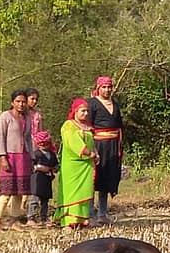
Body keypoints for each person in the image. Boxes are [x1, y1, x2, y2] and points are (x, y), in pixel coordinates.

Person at [0, 89, 33, 232]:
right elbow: (0, 137)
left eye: (23, 102)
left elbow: (28, 139)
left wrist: (31, 157)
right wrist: (2, 157)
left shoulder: (27, 118)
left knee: (19, 192)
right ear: (12, 102)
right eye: (18, 101)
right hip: (9, 157)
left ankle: (14, 221)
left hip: (23, 157)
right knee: (6, 191)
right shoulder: (5, 117)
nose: (21, 104)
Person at [53, 98, 97, 230]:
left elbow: (92, 142)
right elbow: (72, 142)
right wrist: (88, 152)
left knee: (84, 191)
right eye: (82, 111)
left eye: (87, 111)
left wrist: (95, 153)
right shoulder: (69, 125)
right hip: (73, 165)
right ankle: (68, 221)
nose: (86, 113)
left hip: (86, 166)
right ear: (75, 111)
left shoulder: (88, 127)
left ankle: (82, 220)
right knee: (72, 192)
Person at [87, 75, 124, 225]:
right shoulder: (92, 104)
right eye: (104, 87)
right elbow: (87, 127)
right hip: (98, 145)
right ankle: (90, 214)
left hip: (113, 146)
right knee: (93, 179)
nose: (107, 90)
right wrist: (91, 149)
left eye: (109, 87)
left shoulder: (115, 104)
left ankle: (102, 213)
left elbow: (119, 126)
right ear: (98, 88)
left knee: (106, 179)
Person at [27, 130, 59, 227]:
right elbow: (31, 166)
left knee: (45, 200)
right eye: (41, 143)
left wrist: (54, 169)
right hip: (37, 179)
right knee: (34, 199)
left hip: (47, 180)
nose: (43, 145)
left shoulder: (52, 155)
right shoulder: (35, 154)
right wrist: (39, 167)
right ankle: (31, 217)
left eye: (45, 143)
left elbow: (56, 165)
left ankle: (43, 218)